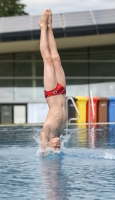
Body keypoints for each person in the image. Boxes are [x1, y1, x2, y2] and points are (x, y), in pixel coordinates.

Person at [39, 9, 67, 151]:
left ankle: (43, 27)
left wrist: (45, 148)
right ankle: (50, 26)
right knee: (56, 58)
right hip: (61, 91)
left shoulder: (47, 132)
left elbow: (42, 152)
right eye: (58, 145)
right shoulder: (59, 131)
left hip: (52, 93)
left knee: (48, 60)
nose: (58, 144)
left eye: (55, 145)